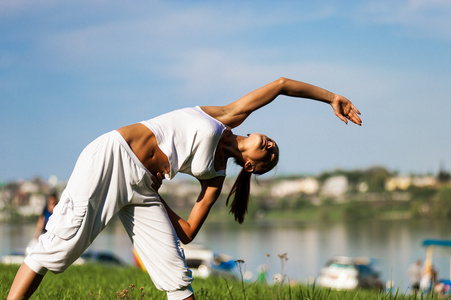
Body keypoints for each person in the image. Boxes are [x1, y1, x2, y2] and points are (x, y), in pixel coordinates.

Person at [7, 77, 362, 300]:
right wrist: (331, 97)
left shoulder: (216, 177)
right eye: (272, 144)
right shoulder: (226, 116)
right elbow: (282, 85)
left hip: (145, 190)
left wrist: (157, 199)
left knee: (177, 278)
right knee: (56, 250)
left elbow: (188, 232)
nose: (269, 145)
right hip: (114, 157)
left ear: (251, 166)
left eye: (269, 155)